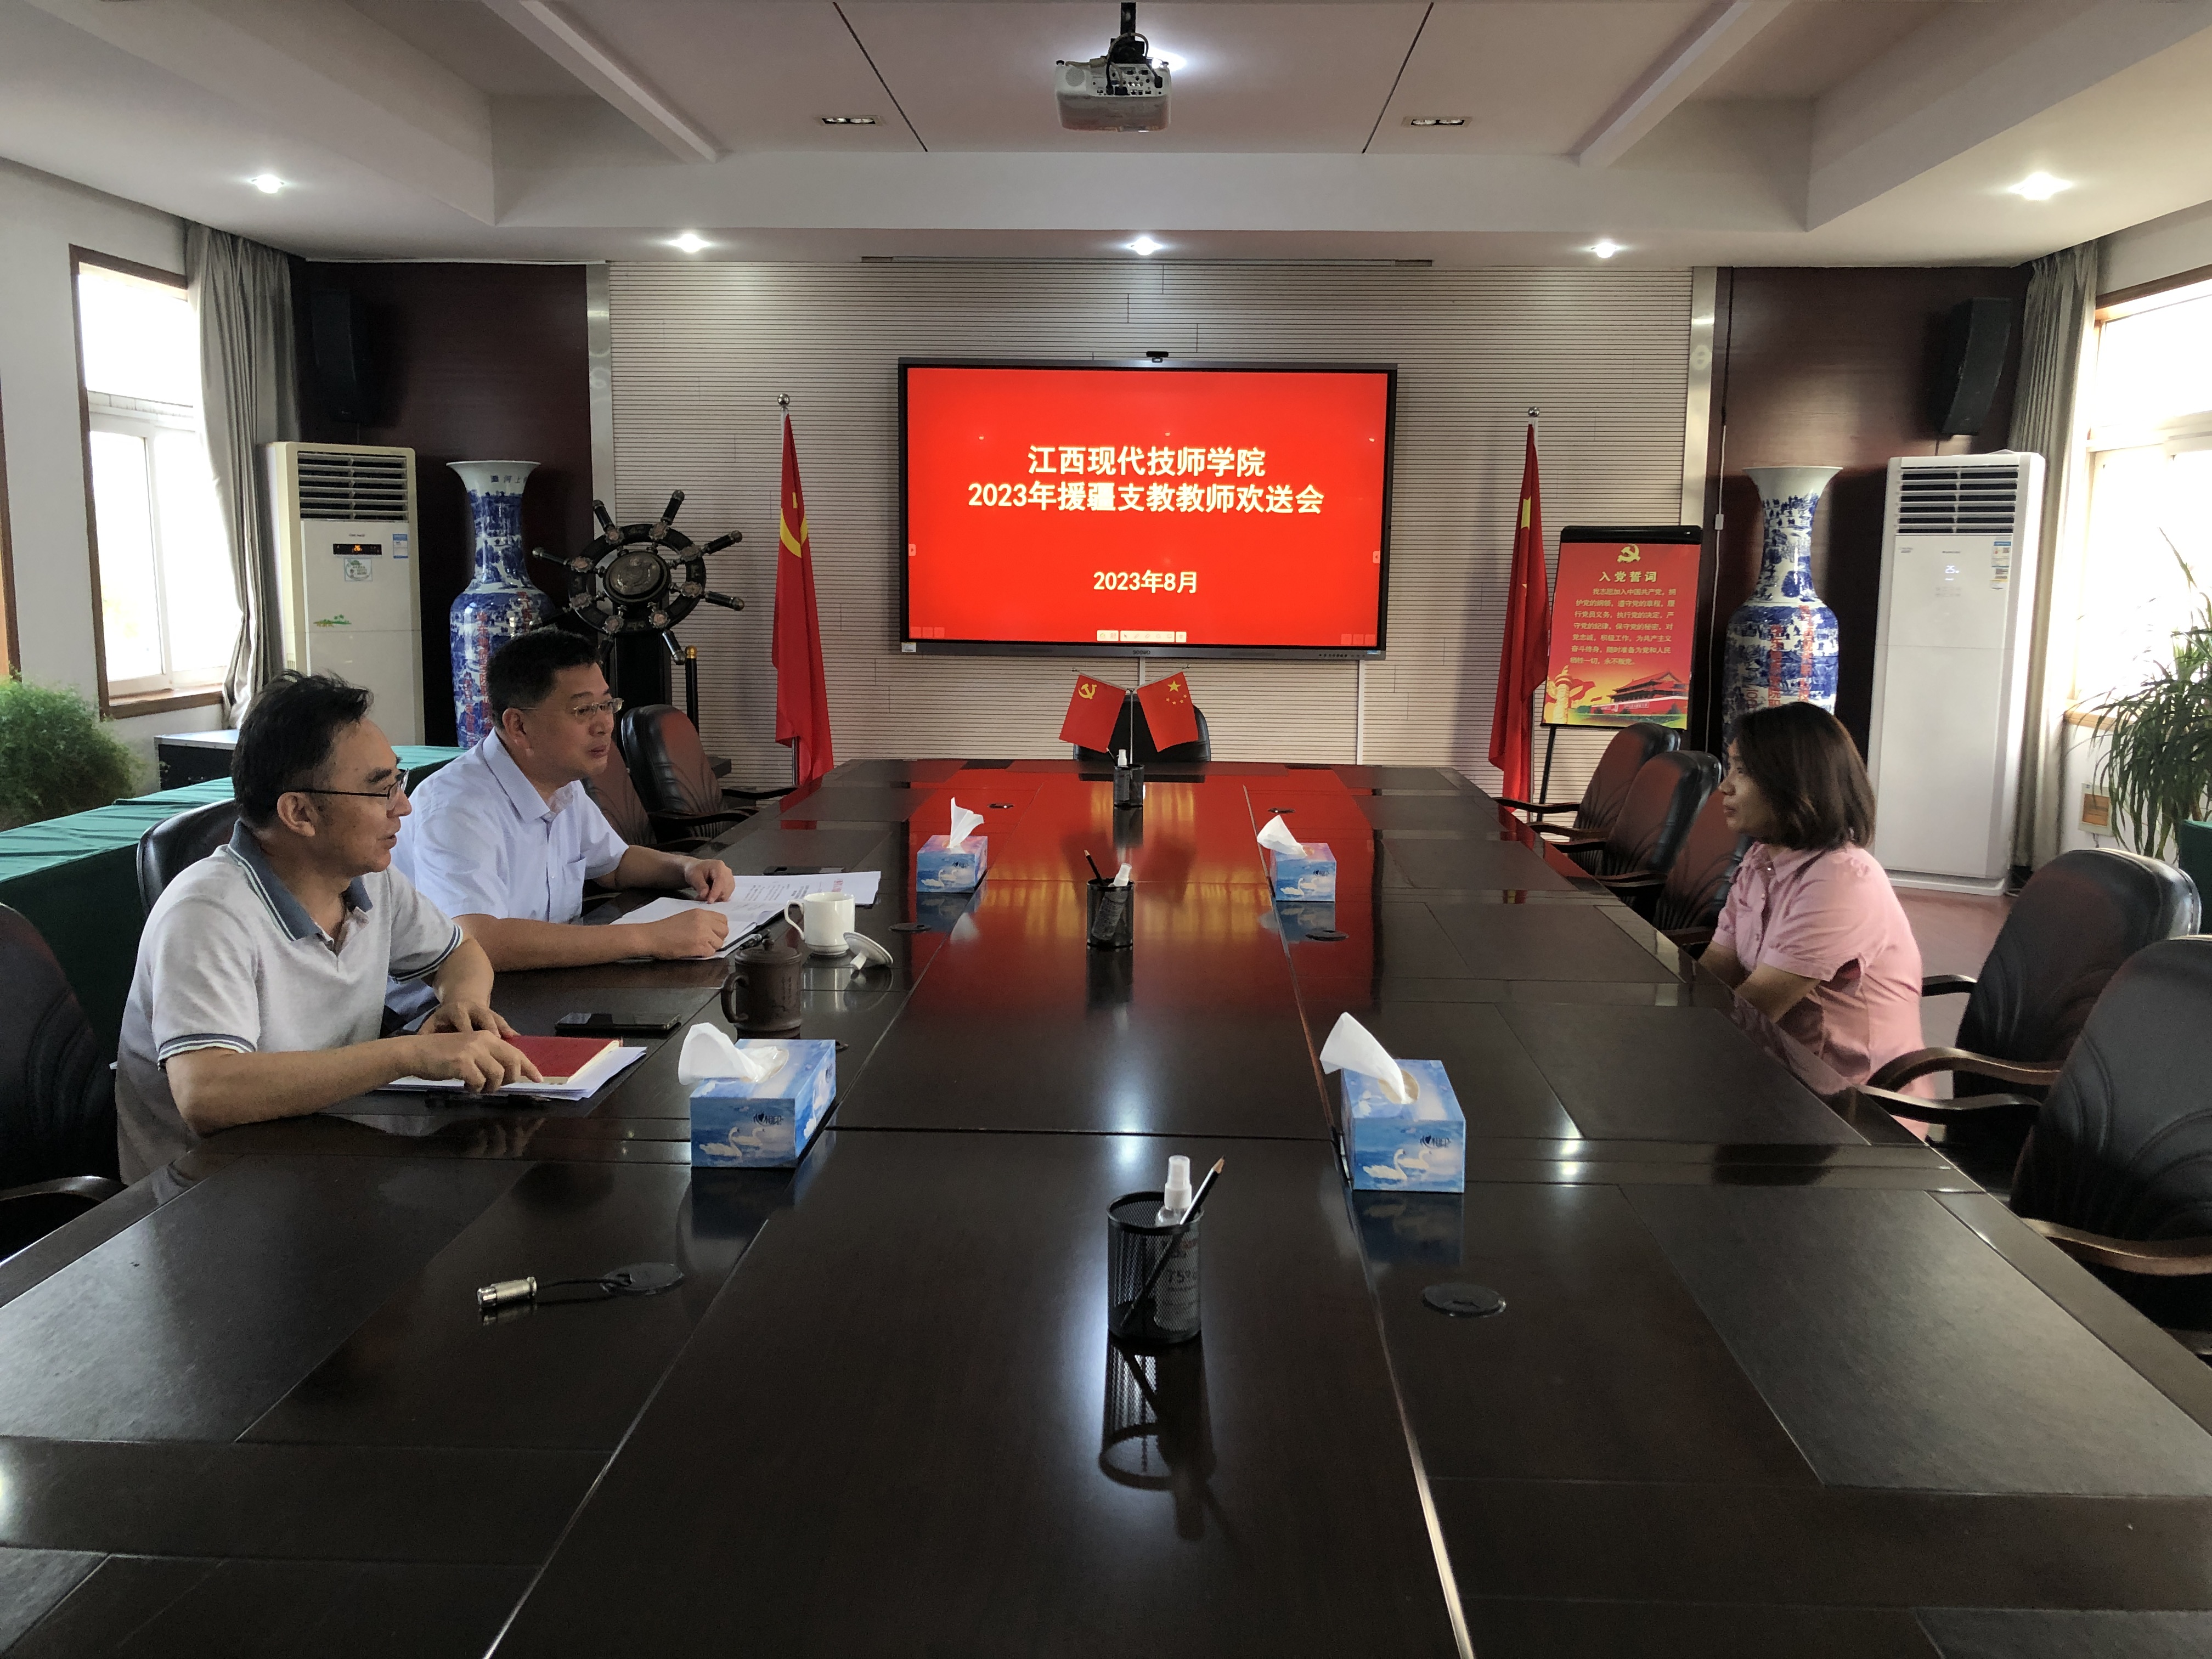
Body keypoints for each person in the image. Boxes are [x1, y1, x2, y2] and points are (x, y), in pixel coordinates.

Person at [116, 674, 538, 1182]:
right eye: (380, 790)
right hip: (212, 1193)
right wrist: (409, 1054)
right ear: (299, 812)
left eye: (398, 782)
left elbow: (459, 952)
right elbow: (206, 1093)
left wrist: (463, 1004)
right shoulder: (206, 913)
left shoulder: (367, 877)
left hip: (330, 1157)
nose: (402, 806)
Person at [395, 629, 734, 967]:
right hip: (461, 998)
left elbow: (615, 865)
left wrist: (686, 868)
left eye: (606, 705)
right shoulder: (456, 807)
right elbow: (478, 941)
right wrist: (648, 938)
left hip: (546, 981)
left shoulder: (559, 780)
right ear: (519, 726)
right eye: (583, 710)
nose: (604, 725)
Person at [1705, 701, 1926, 1094]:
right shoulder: (1761, 860)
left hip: (1849, 1105)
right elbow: (1717, 969)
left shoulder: (1841, 882)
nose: (1726, 786)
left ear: (1793, 782)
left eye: (1743, 770)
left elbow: (1755, 1009)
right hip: (1779, 1071)